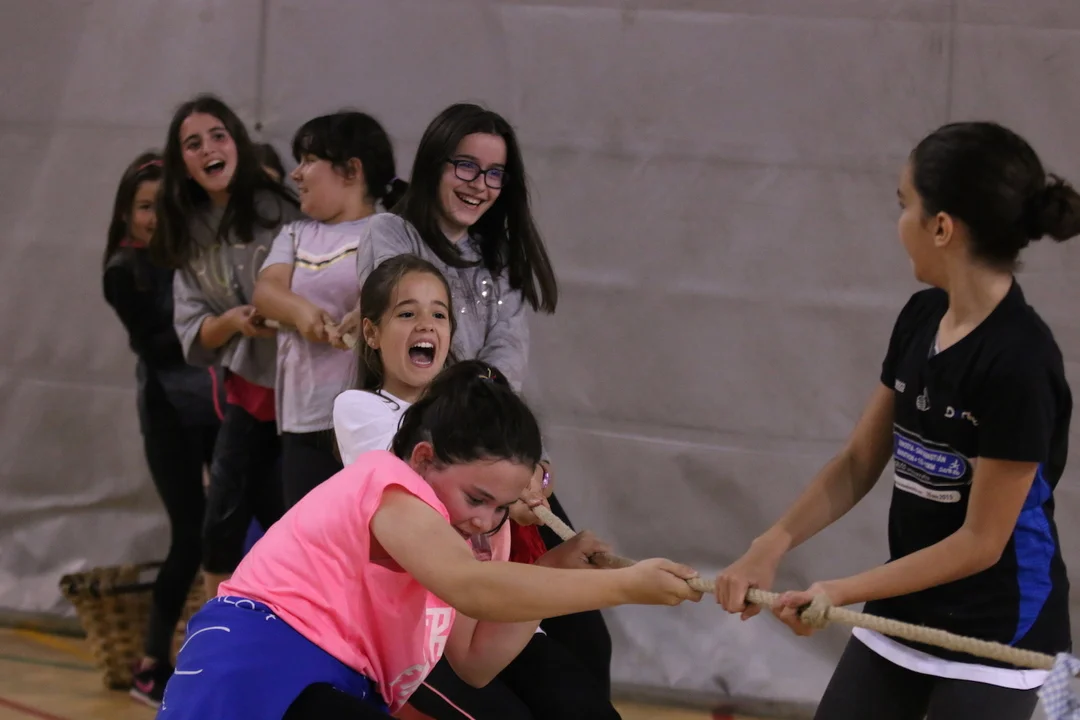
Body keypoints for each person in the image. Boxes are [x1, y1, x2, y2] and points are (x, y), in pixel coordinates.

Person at [715, 121, 1080, 720]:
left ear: (941, 227)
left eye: (904, 205)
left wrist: (840, 592)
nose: (899, 223)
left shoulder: (1020, 359)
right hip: (907, 607)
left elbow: (981, 543)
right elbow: (859, 461)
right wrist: (769, 544)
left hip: (1000, 630)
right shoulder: (921, 316)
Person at [156, 360, 702, 719]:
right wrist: (627, 586)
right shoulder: (390, 482)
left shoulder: (472, 539)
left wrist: (554, 570)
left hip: (329, 684)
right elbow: (473, 589)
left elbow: (474, 661)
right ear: (423, 459)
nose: (486, 519)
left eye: (500, 506)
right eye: (477, 497)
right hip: (258, 666)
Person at [331, 101, 614, 696]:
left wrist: (523, 463)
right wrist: (484, 409)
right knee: (487, 644)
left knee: (587, 636)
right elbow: (420, 345)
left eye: (494, 173)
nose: (479, 184)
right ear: (434, 163)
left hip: (491, 457)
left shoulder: (497, 256)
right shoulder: (391, 233)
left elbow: (507, 359)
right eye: (465, 165)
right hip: (441, 466)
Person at [334, 255, 621, 719]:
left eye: (439, 314)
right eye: (407, 313)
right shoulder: (358, 409)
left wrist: (535, 480)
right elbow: (417, 475)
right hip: (420, 633)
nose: (425, 324)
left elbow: (529, 463)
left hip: (489, 612)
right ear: (371, 332)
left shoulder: (475, 407)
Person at [152, 93, 304, 597]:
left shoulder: (284, 210)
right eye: (193, 144)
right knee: (220, 525)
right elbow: (193, 331)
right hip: (249, 393)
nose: (209, 149)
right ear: (183, 163)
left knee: (300, 524)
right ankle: (209, 630)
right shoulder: (188, 230)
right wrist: (234, 321)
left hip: (309, 399)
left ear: (237, 142)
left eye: (218, 136)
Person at [102, 151, 223, 707]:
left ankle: (222, 654)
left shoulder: (195, 256)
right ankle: (153, 663)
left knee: (230, 530)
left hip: (218, 410)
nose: (155, 216)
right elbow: (163, 343)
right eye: (145, 206)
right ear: (127, 213)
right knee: (190, 535)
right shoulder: (123, 271)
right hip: (170, 418)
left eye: (164, 204)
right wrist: (218, 323)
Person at [253, 111, 408, 508]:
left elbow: (393, 291)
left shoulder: (388, 230)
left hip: (369, 419)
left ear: (351, 170)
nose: (295, 174)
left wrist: (361, 313)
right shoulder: (295, 233)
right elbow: (266, 291)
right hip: (303, 419)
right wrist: (301, 313)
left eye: (308, 161)